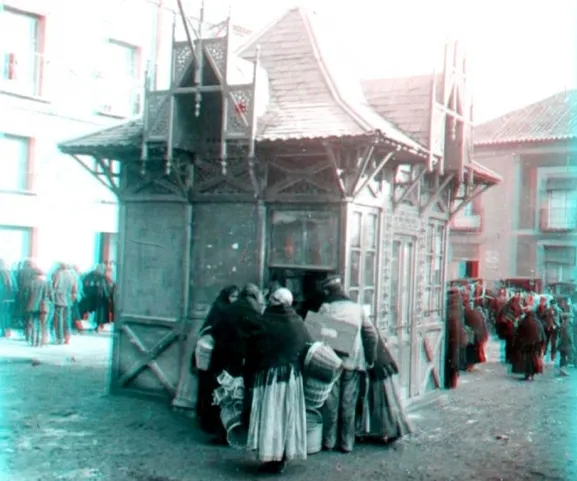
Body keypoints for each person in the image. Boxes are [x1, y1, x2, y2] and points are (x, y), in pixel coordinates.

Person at [245, 287, 311, 474]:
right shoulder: (297, 321)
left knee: (272, 415)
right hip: (291, 377)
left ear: (277, 302)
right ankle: (281, 457)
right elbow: (306, 345)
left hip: (270, 378)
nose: (269, 302)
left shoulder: (266, 320)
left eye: (272, 299)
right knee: (286, 416)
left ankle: (272, 457)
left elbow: (254, 347)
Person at [317, 275, 377, 454]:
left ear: (327, 292)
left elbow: (316, 333)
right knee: (348, 403)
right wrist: (370, 358)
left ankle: (329, 441)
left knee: (331, 402)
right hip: (353, 361)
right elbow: (371, 334)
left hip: (330, 361)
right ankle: (346, 443)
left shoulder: (325, 308)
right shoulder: (357, 308)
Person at [195, 285, 240, 440]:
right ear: (227, 296)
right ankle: (209, 424)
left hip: (219, 356)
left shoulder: (228, 309)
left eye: (237, 297)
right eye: (233, 296)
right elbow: (211, 329)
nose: (235, 300)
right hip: (213, 356)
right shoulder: (221, 309)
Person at [511, 309, 545, 381]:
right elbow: (542, 334)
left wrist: (516, 343)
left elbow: (518, 333)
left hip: (525, 344)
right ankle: (532, 374)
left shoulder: (523, 321)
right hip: (536, 344)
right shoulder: (538, 322)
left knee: (526, 360)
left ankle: (527, 374)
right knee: (534, 359)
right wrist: (542, 344)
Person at [23, 266, 52, 347]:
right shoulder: (46, 283)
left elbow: (26, 295)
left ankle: (33, 341)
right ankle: (39, 342)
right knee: (41, 324)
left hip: (31, 306)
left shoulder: (30, 283)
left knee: (32, 323)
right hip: (42, 306)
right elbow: (48, 295)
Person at [445, 288, 467, 388]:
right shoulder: (459, 306)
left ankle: (450, 381)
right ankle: (453, 380)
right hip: (457, 337)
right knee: (455, 358)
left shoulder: (452, 306)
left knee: (451, 358)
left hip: (452, 337)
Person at [52, 262, 78, 344]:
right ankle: (67, 337)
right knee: (67, 319)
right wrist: (72, 298)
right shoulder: (72, 275)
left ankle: (59, 338)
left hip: (58, 298)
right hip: (68, 298)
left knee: (58, 319)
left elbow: (53, 286)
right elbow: (75, 289)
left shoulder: (57, 273)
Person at [463, 302, 489, 371]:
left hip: (474, 335)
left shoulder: (467, 313)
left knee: (471, 350)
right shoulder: (477, 313)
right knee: (474, 350)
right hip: (479, 335)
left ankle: (470, 366)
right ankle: (471, 365)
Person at [0, 259, 16, 338]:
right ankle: (7, 331)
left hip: (2, 297)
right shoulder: (9, 272)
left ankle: (4, 331)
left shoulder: (1, 273)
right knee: (7, 314)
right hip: (10, 297)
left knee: (2, 314)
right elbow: (15, 286)